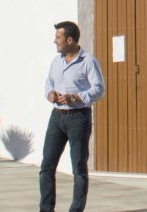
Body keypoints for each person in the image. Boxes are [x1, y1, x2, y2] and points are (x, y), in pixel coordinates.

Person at [40, 20, 105, 212]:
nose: (54, 41)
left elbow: (99, 89)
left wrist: (76, 97)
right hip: (56, 117)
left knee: (78, 167)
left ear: (69, 40)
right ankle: (46, 209)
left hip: (78, 118)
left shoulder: (88, 61)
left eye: (58, 37)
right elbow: (48, 83)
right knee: (46, 166)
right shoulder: (56, 61)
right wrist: (50, 94)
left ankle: (76, 210)